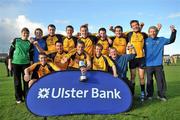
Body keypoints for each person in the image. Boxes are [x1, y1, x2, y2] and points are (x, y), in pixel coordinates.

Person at [145, 25, 176, 101]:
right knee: (149, 81)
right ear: (148, 33)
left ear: (156, 32)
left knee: (160, 80)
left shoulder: (161, 39)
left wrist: (173, 32)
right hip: (148, 65)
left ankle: (161, 95)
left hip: (158, 64)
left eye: (154, 31)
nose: (152, 33)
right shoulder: (145, 40)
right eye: (151, 31)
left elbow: (171, 40)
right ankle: (149, 95)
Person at [8, 27, 33, 104]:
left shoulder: (29, 43)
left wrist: (31, 67)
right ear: (21, 33)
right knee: (17, 82)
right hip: (16, 64)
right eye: (24, 33)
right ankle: (18, 98)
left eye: (27, 33)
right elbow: (10, 53)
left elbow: (31, 56)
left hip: (26, 64)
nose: (25, 34)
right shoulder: (16, 40)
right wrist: (9, 64)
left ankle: (26, 97)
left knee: (26, 81)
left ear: (28, 34)